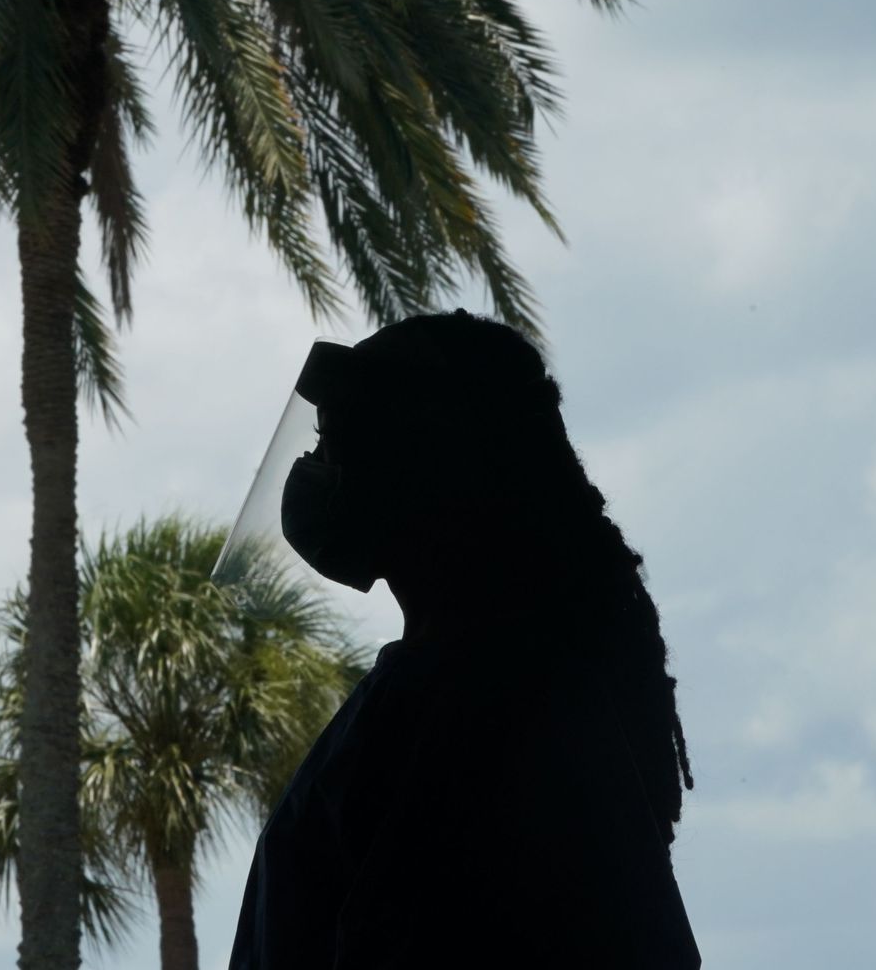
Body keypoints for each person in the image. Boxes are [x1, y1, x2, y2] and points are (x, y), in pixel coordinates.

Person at [227, 310, 700, 968]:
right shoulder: (496, 688)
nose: (312, 467)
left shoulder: (463, 709)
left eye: (334, 443)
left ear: (415, 466)